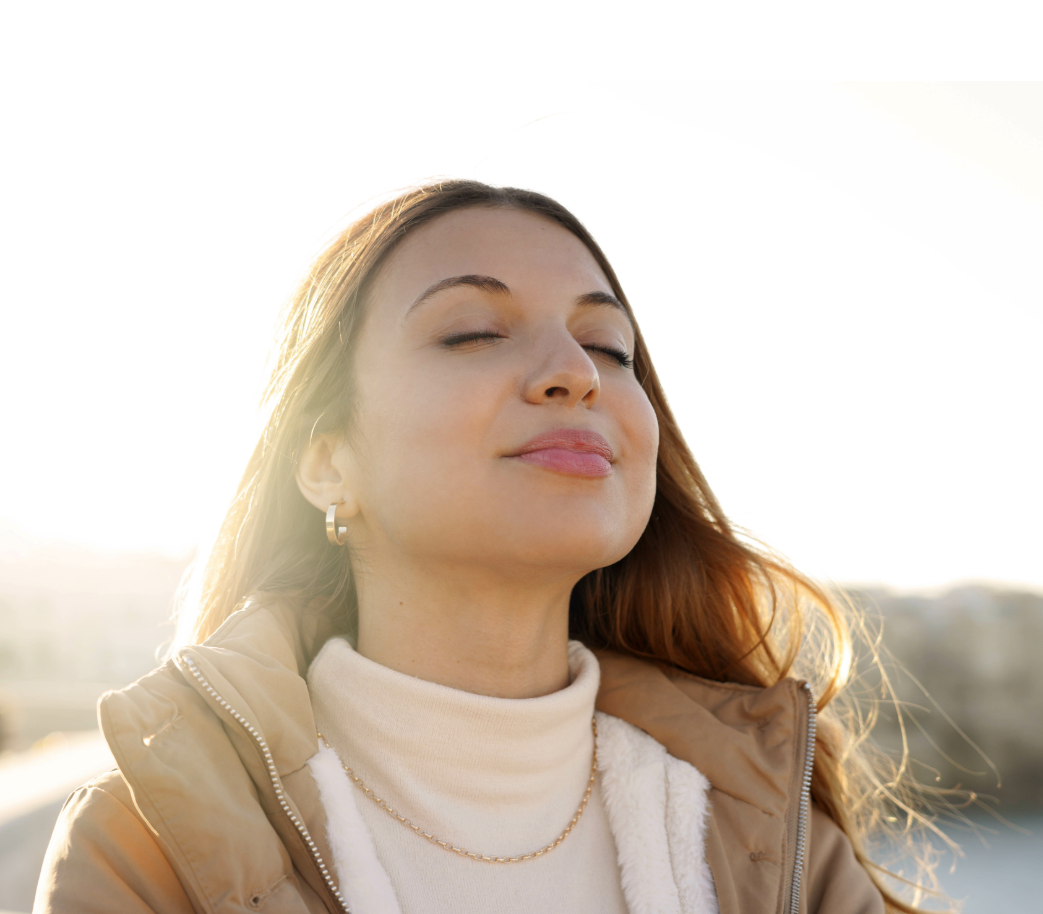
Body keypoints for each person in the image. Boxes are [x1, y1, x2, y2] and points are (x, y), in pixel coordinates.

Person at [35, 181, 907, 913]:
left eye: (608, 344)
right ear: (327, 459)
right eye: (472, 332)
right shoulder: (147, 851)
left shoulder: (779, 847)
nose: (577, 372)